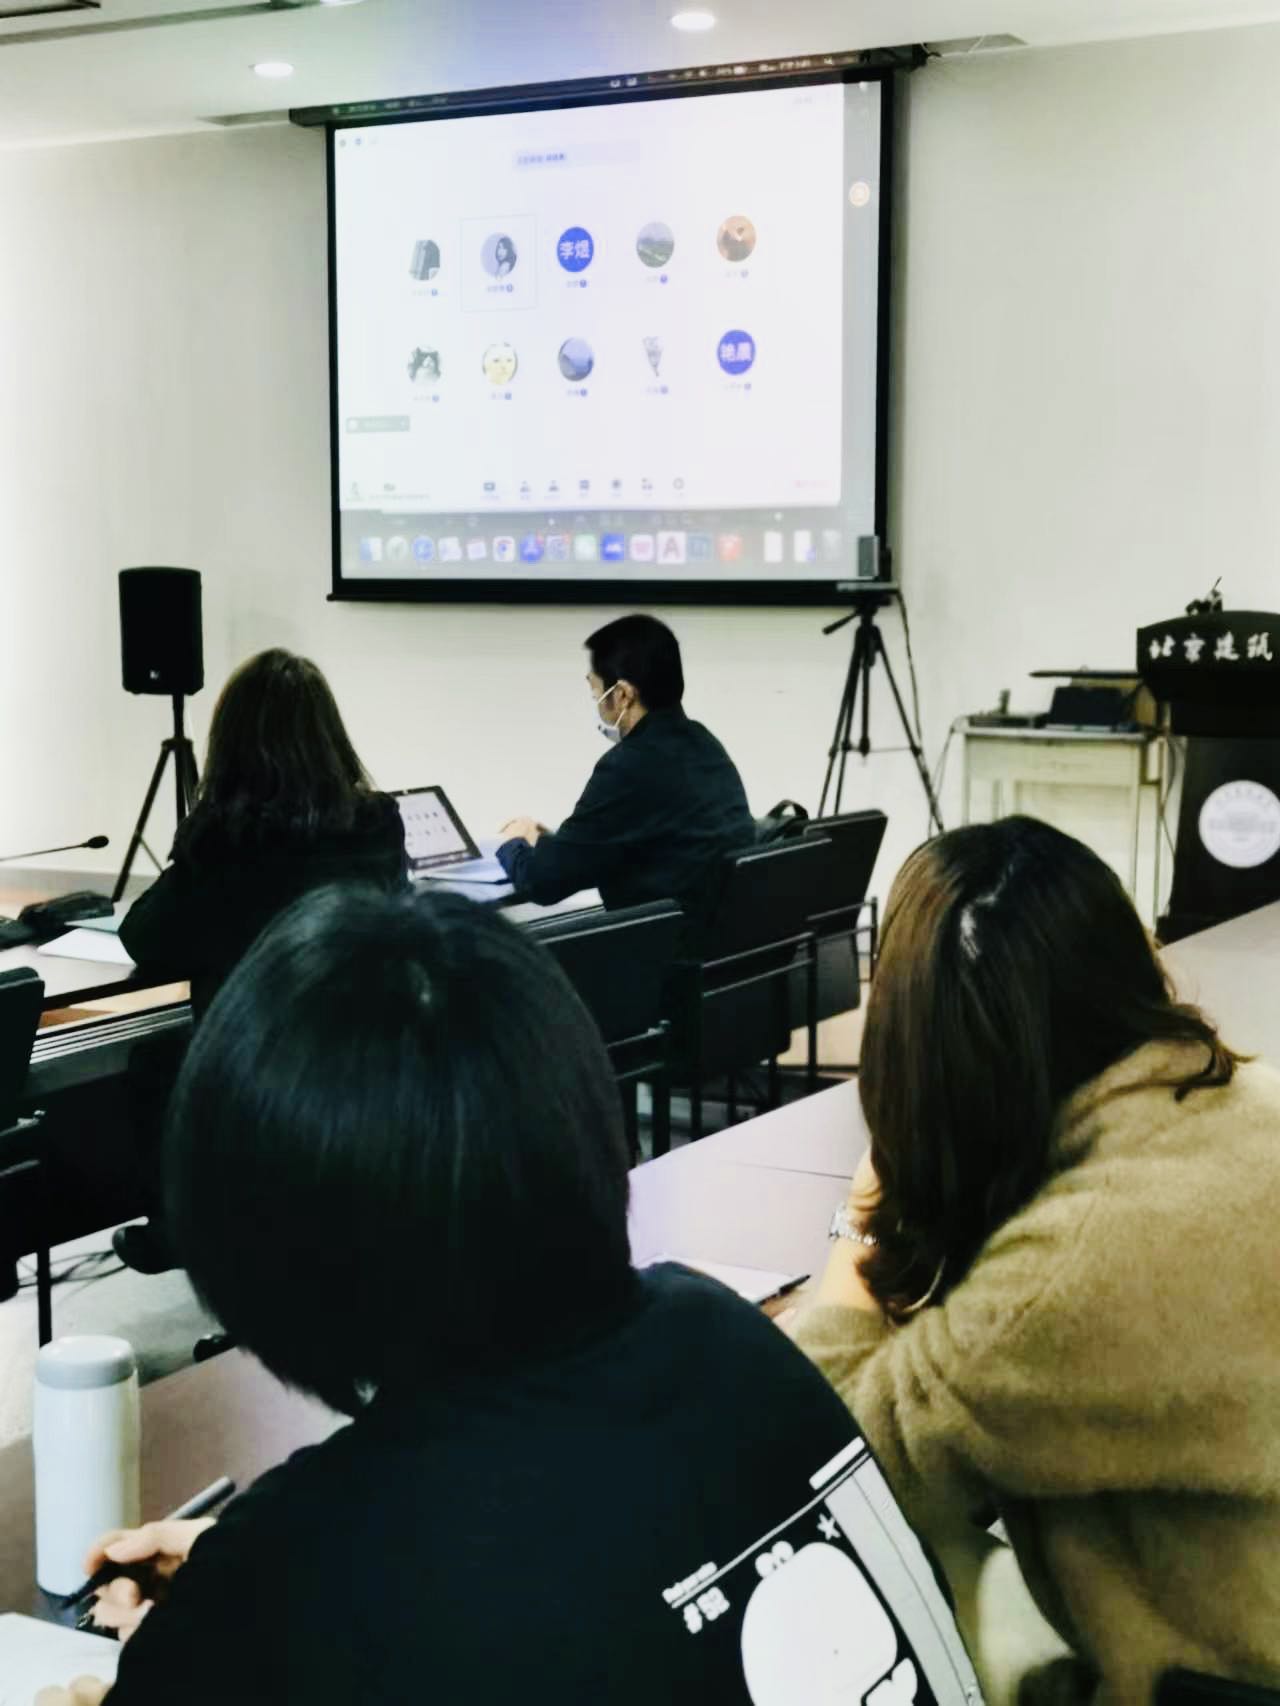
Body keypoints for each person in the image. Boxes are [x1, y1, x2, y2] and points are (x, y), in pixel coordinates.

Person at [42, 888, 978, 1706]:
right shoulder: (722, 1333)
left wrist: (245, 1597)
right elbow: (582, 1559)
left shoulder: (292, 1584)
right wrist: (258, 1570)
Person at [791, 816, 1280, 1703]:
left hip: (1223, 1674)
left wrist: (862, 1218)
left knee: (911, 1571)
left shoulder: (1069, 1273)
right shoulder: (1245, 1101)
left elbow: (838, 1462)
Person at [114, 648, 405, 1273]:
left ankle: (180, 1226)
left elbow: (144, 938)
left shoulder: (223, 840)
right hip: (364, 1063)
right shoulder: (379, 822)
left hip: (255, 1075)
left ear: (230, 745)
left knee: (150, 1061)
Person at [497, 615, 754, 935]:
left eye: (595, 693)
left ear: (622, 695)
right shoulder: (702, 743)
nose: (596, 704)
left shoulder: (630, 765)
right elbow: (627, 845)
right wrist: (557, 844)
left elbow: (543, 883)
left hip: (662, 952)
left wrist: (514, 841)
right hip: (722, 945)